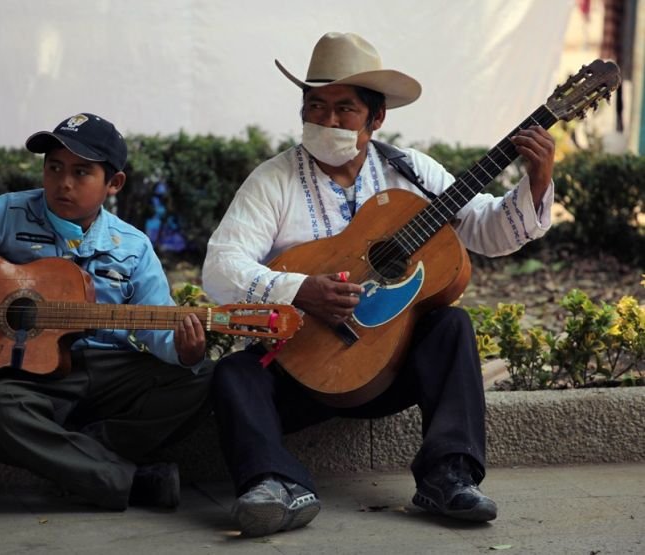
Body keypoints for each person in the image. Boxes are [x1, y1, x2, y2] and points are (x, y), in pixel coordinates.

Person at [202, 32, 555, 536]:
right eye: (315, 106)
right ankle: (276, 487)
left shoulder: (410, 171)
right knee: (235, 373)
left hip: (385, 368)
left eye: (344, 109)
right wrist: (300, 289)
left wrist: (536, 182)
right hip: (300, 369)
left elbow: (484, 229)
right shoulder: (273, 180)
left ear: (377, 118)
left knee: (451, 325)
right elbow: (220, 266)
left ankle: (447, 477)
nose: (325, 120)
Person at [0, 112, 212, 511]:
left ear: (113, 184)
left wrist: (186, 350)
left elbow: (157, 328)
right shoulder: (11, 213)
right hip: (33, 375)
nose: (63, 183)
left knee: (200, 378)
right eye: (54, 167)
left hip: (110, 371)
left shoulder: (133, 246)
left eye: (81, 173)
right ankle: (127, 480)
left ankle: (78, 455)